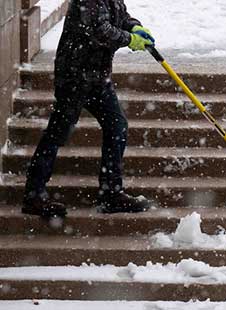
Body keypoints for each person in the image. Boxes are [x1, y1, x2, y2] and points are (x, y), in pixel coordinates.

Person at [22, 0, 155, 217]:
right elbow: (98, 30)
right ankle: (34, 194)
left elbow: (119, 16)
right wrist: (129, 39)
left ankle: (111, 193)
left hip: (97, 77)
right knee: (58, 132)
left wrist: (134, 26)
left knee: (117, 126)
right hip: (75, 76)